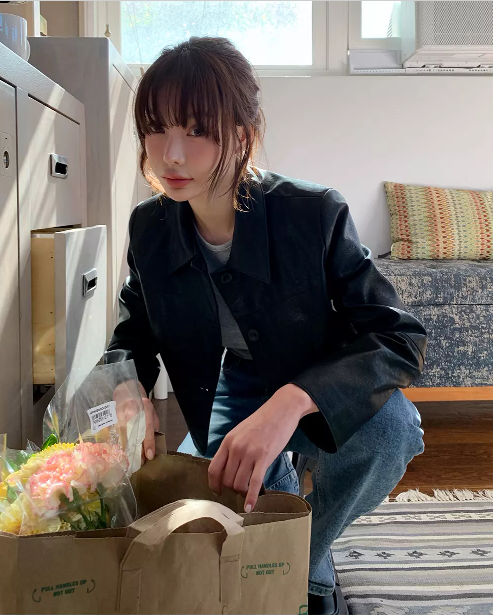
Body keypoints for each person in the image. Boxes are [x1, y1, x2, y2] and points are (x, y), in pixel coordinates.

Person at [104, 36, 426, 615]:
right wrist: (127, 383)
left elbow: (398, 338)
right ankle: (278, 550)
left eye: (197, 130)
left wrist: (290, 403)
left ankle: (307, 564)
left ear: (242, 134)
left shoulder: (314, 213)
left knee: (393, 432)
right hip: (227, 389)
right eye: (156, 128)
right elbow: (134, 328)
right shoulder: (150, 228)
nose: (171, 154)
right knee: (231, 507)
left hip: (317, 382)